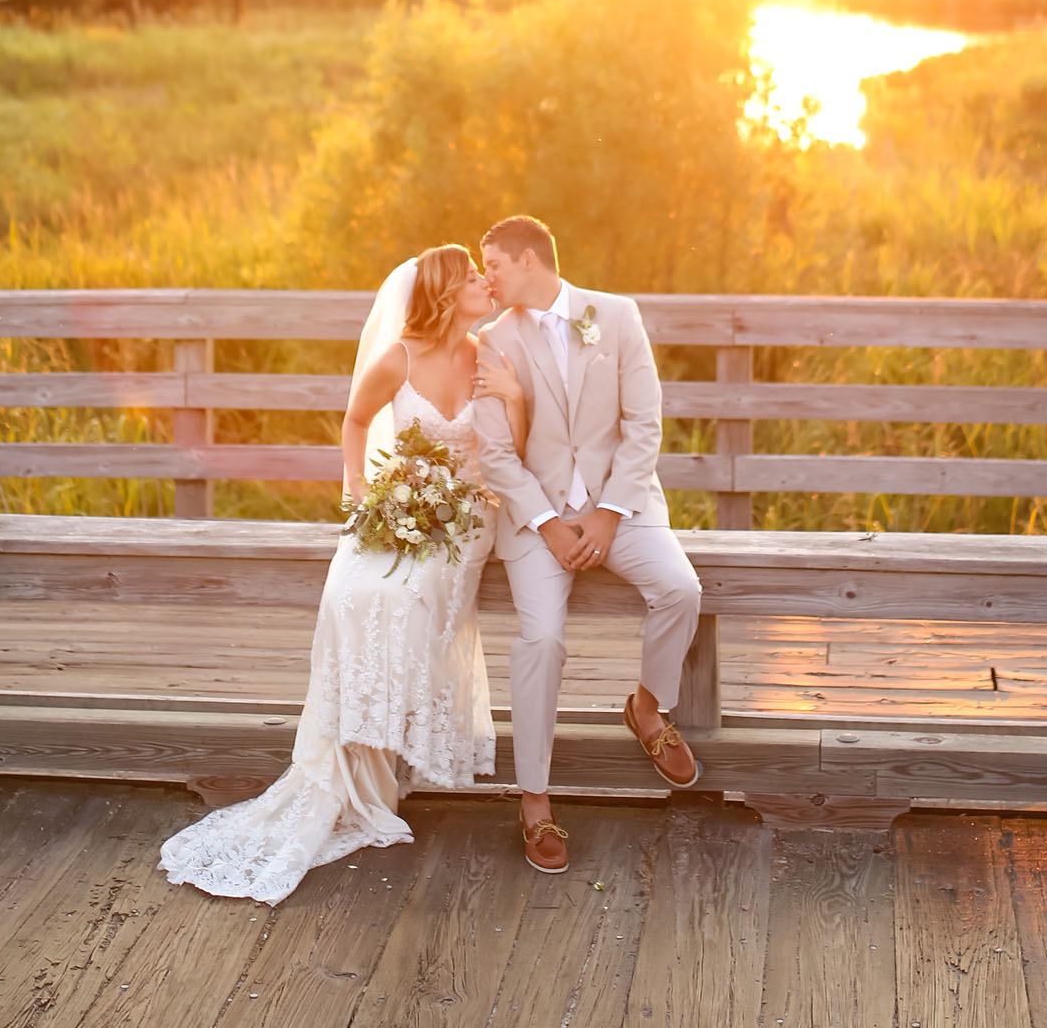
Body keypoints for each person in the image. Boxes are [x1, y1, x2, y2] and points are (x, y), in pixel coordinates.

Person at [160, 244, 526, 905]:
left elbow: (513, 444)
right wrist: (362, 490)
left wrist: (515, 395)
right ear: (446, 292)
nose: (485, 283)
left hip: (469, 512)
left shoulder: (486, 354)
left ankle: (393, 750)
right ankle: (356, 758)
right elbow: (356, 422)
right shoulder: (400, 355)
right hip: (403, 498)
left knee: (411, 598)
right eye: (473, 278)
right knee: (357, 592)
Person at [472, 215, 704, 875]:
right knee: (541, 639)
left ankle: (648, 708)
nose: (487, 278)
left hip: (621, 506)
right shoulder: (493, 340)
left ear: (527, 260)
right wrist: (547, 523)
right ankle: (536, 801)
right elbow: (493, 454)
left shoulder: (617, 316)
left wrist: (607, 514)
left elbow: (644, 424)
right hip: (536, 517)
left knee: (680, 589)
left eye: (493, 265)